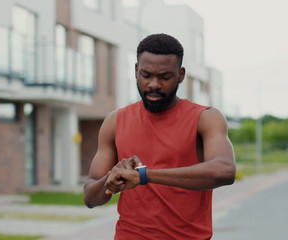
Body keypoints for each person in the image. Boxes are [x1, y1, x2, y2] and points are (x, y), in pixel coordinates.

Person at [83, 33, 236, 240]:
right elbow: (90, 197)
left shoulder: (205, 118)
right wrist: (109, 181)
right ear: (136, 70)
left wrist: (144, 176)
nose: (154, 84)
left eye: (165, 77)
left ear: (181, 75)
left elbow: (225, 171)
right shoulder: (115, 121)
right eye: (146, 75)